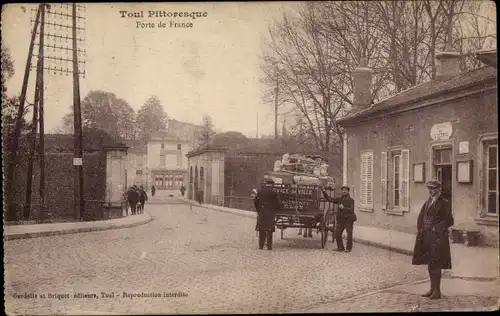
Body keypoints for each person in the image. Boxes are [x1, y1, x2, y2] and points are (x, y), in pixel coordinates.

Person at [412, 180, 454, 300]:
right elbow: (421, 217)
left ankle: (437, 291)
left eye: (432, 188)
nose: (430, 191)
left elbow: (450, 220)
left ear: (438, 189)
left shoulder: (444, 203)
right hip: (426, 237)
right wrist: (420, 229)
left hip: (438, 238)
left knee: (436, 264)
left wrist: (437, 228)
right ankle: (432, 288)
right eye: (428, 188)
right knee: (430, 263)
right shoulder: (428, 201)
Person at [322, 185, 356, 253]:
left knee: (349, 234)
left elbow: (351, 210)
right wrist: (324, 192)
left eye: (345, 190)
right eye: (343, 190)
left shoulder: (351, 200)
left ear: (348, 191)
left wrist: (343, 208)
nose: (344, 191)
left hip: (348, 219)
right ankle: (340, 248)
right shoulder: (339, 199)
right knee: (337, 234)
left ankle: (348, 248)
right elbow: (329, 199)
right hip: (341, 220)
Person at [254, 178, 280, 250]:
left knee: (261, 229)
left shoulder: (260, 191)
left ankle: (261, 246)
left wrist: (258, 210)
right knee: (269, 230)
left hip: (262, 212)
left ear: (266, 183)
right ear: (271, 184)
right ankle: (269, 246)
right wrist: (274, 211)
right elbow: (277, 203)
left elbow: (256, 202)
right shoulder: (274, 192)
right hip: (270, 213)